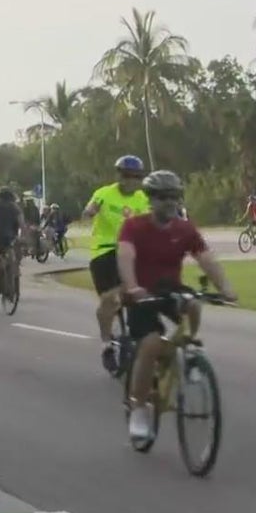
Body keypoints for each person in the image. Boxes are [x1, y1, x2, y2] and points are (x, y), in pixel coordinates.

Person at [117, 171, 237, 441]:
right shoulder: (134, 226)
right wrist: (132, 287)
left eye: (174, 196)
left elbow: (206, 259)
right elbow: (125, 256)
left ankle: (187, 350)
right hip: (141, 293)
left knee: (193, 305)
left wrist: (225, 288)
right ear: (150, 199)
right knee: (150, 344)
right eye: (163, 197)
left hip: (169, 288)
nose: (170, 202)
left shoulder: (185, 229)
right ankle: (138, 408)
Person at [84, 155, 150, 369]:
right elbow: (90, 208)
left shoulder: (143, 199)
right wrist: (91, 211)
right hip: (106, 251)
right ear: (118, 175)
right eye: (126, 175)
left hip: (132, 251)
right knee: (110, 300)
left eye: (135, 177)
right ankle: (106, 344)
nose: (130, 181)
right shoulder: (104, 193)